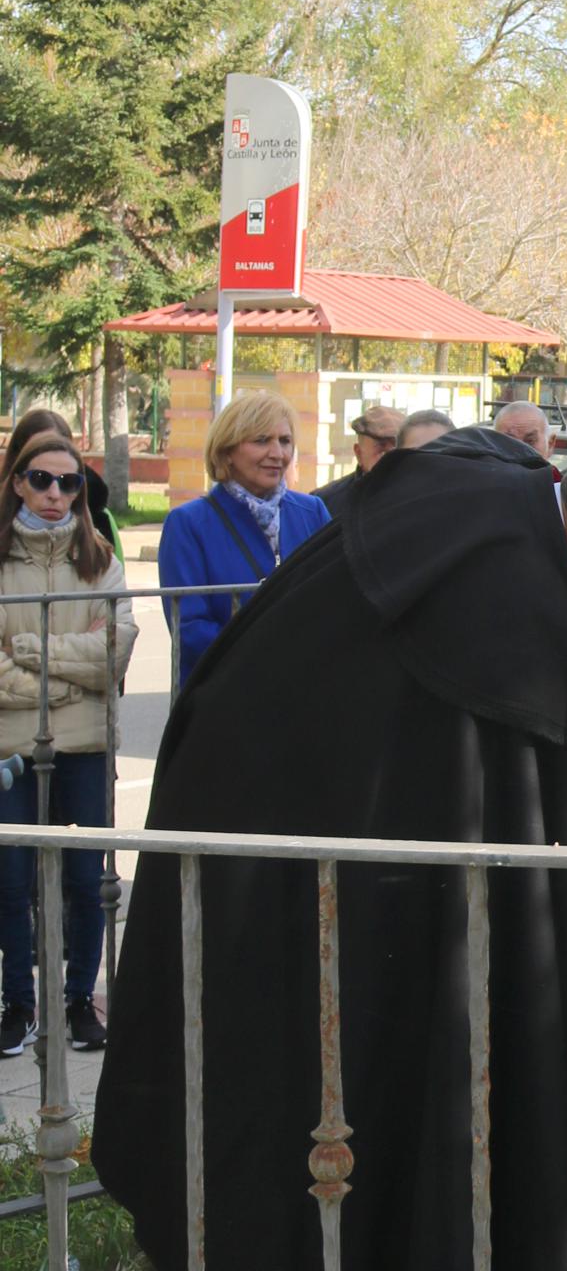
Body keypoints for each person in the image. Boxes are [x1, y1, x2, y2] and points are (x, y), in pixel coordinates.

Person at [93, 431, 567, 1271]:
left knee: (359, 1092)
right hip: (330, 865)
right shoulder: (507, 593)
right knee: (377, 1091)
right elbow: (556, 813)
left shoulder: (491, 494)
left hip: (310, 827)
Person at [0, 425, 137, 1058]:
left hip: (86, 749)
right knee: (10, 879)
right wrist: (63, 679)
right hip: (12, 749)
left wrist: (29, 651)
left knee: (88, 883)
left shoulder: (100, 558)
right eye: (41, 479)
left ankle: (81, 999)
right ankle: (17, 1004)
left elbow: (115, 650)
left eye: (69, 482)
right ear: (17, 483)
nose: (55, 493)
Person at [157, 393, 329, 685]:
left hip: (305, 690)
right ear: (226, 451)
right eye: (262, 440)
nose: (278, 453)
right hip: (225, 693)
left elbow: (334, 600)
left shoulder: (312, 511)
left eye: (285, 441)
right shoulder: (188, 524)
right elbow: (190, 627)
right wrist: (268, 657)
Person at [8, 408, 118, 552]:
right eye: (37, 448)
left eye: (56, 446)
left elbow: (113, 567)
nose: (54, 494)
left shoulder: (97, 521)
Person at [317, 404, 405, 524]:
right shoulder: (326, 503)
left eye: (397, 447)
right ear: (359, 453)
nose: (390, 456)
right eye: (381, 446)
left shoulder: (422, 496)